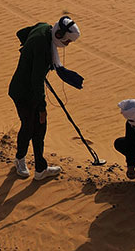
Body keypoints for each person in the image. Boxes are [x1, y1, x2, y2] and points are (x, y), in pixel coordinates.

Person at [7, 16, 81, 180]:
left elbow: (22, 33)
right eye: (67, 41)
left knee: (39, 129)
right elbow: (36, 80)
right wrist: (42, 108)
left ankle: (40, 169)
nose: (67, 45)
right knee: (29, 126)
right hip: (23, 92)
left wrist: (27, 52)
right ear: (60, 35)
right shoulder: (43, 48)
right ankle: (19, 160)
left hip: (29, 89)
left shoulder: (44, 27)